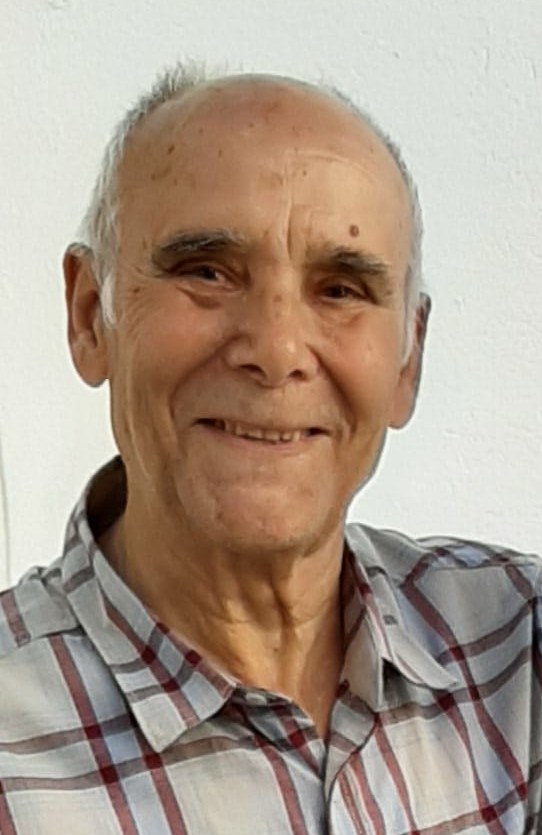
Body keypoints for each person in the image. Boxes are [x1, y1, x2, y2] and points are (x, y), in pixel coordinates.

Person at [0, 65, 540, 835]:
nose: (277, 349)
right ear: (91, 315)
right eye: (207, 272)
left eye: (341, 288)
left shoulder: (519, 651)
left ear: (408, 360)